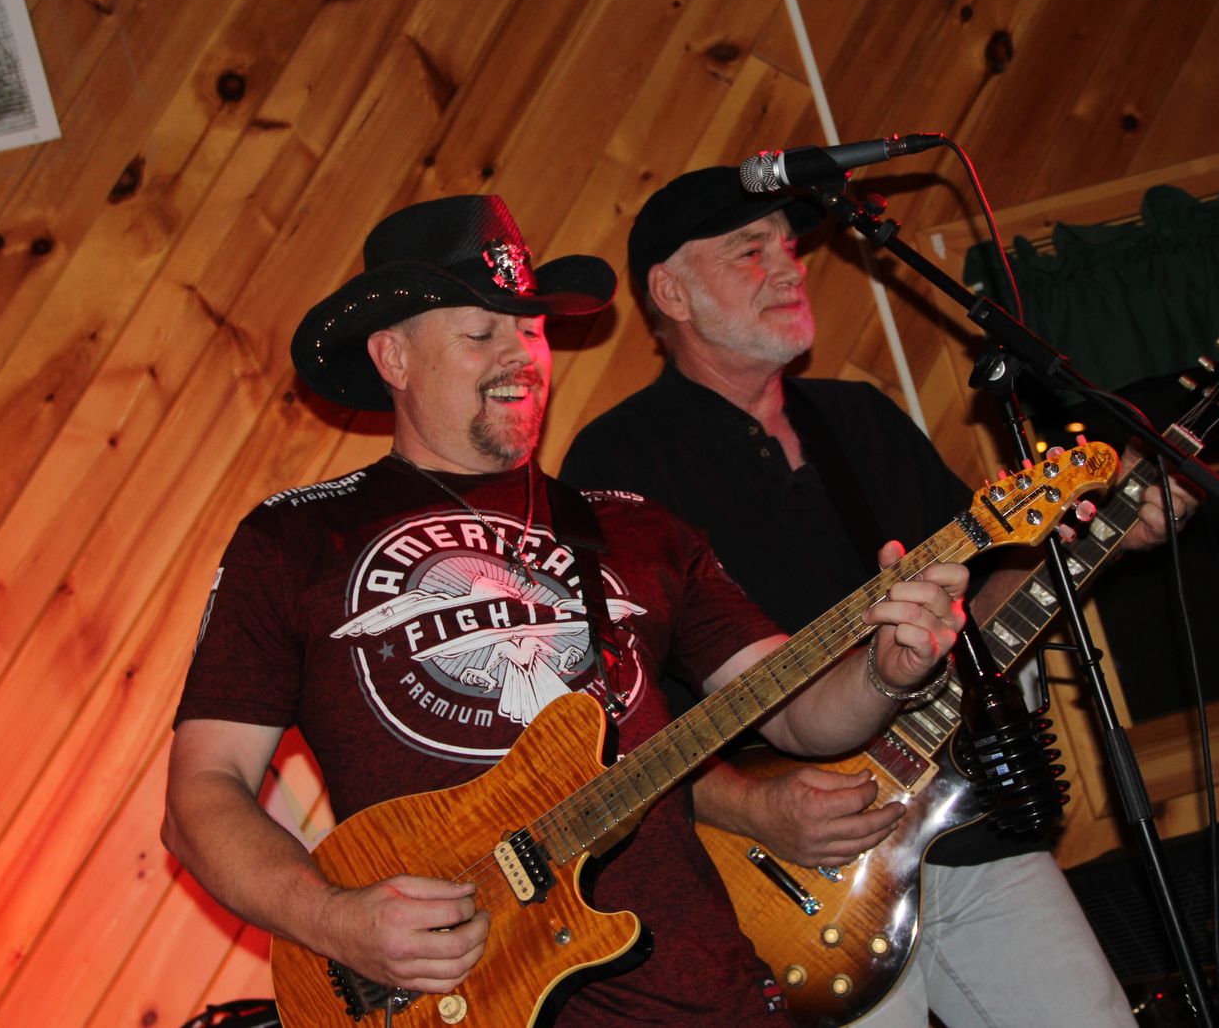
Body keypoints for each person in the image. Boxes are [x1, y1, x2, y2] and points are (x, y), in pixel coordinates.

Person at [161, 194, 971, 1027]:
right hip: (470, 1000)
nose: (520, 354)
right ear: (393, 356)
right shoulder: (296, 539)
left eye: (532, 330)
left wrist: (886, 669)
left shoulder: (635, 526)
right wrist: (335, 920)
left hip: (708, 996)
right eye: (481, 333)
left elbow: (800, 713)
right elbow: (203, 793)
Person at [561, 167, 1198, 1027]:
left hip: (960, 822)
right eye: (749, 250)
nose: (788, 268)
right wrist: (753, 806)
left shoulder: (859, 417)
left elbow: (980, 610)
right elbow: (606, 720)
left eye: (788, 246)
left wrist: (1102, 533)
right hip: (776, 871)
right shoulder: (619, 462)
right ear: (671, 293)